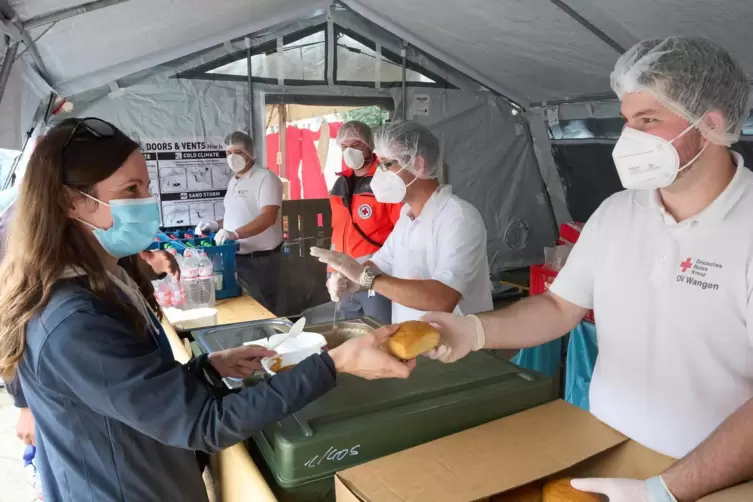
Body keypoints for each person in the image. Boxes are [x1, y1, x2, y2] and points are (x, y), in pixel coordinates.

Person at [0, 117, 414, 502]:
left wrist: (209, 366)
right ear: (70, 201)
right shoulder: (75, 321)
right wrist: (335, 363)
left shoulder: (105, 280)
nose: (149, 202)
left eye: (145, 187)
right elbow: (203, 423)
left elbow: (137, 391)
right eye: (131, 191)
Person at [423, 36, 753, 501]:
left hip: (712, 482)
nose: (629, 137)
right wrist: (473, 332)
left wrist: (665, 491)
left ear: (711, 124)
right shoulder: (617, 212)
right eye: (626, 120)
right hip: (602, 449)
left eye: (648, 121)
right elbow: (560, 306)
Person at [311, 121, 493, 324]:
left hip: (458, 349)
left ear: (418, 164)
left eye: (386, 164)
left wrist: (367, 279)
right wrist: (349, 279)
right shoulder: (407, 217)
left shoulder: (458, 218)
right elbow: (382, 264)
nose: (378, 174)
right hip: (415, 343)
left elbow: (443, 298)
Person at [196, 131, 283, 314]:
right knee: (240, 308)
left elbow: (268, 217)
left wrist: (234, 234)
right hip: (235, 256)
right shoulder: (234, 181)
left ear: (251, 153)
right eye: (229, 153)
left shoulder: (266, 178)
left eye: (239, 152)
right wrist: (216, 225)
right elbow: (235, 215)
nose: (233, 157)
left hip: (260, 260)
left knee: (261, 309)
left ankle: (267, 340)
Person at [324, 121, 402, 323]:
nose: (349, 151)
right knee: (352, 336)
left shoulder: (386, 180)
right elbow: (337, 233)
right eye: (344, 146)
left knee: (380, 335)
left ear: (370, 144)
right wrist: (333, 273)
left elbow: (402, 232)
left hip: (376, 276)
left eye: (356, 145)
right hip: (342, 278)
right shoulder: (340, 184)